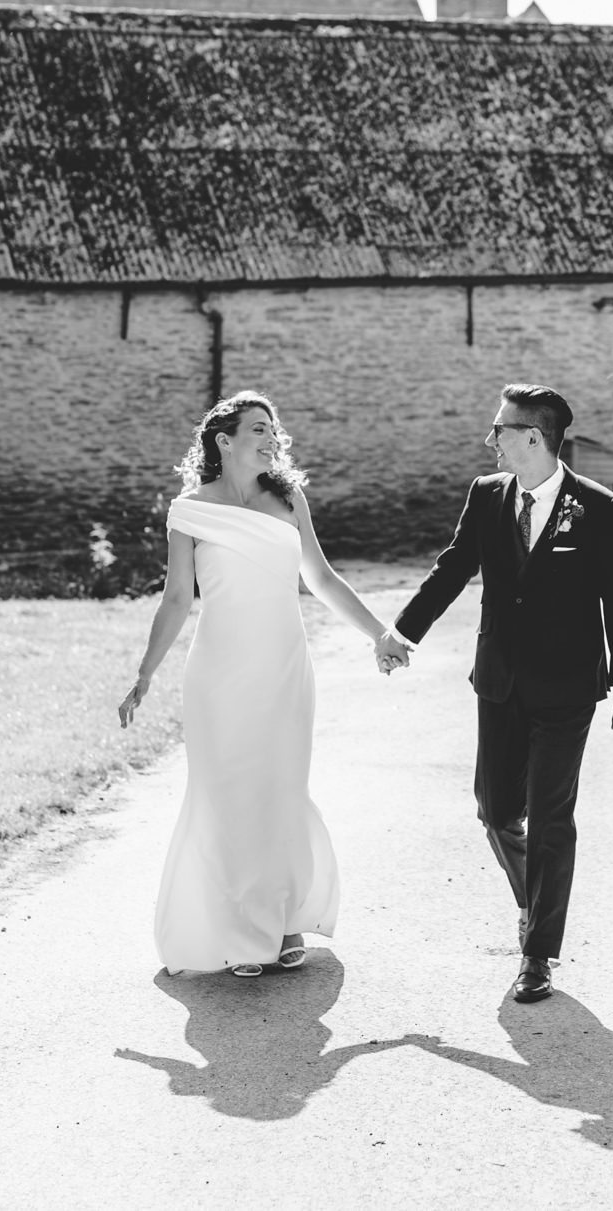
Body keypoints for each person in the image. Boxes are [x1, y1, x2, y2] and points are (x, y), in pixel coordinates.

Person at [118, 391, 409, 977]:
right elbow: (177, 598)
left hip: (283, 666)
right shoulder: (189, 511)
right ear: (224, 441)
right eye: (257, 428)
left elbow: (320, 579)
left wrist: (381, 634)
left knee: (278, 789)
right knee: (227, 794)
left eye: (273, 429)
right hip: (219, 673)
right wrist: (145, 672)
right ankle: (238, 931)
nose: (271, 437)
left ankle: (283, 921)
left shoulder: (288, 499)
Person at [378, 383, 613, 1004]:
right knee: (496, 811)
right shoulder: (486, 495)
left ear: (533, 436)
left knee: (551, 818)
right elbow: (453, 568)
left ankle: (537, 953)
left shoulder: (600, 508)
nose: (490, 439)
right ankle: (540, 903)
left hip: (568, 688)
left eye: (499, 429)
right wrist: (403, 632)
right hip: (498, 681)